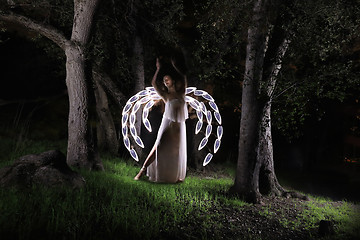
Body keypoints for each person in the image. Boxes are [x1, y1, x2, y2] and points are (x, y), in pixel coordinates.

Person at [134, 57, 188, 183]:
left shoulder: (181, 93)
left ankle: (172, 176)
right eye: (164, 80)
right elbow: (153, 83)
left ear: (173, 80)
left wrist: (176, 67)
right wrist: (158, 69)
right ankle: (141, 171)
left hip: (179, 126)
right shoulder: (166, 96)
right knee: (157, 147)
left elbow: (184, 78)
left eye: (167, 79)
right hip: (168, 125)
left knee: (175, 151)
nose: (165, 81)